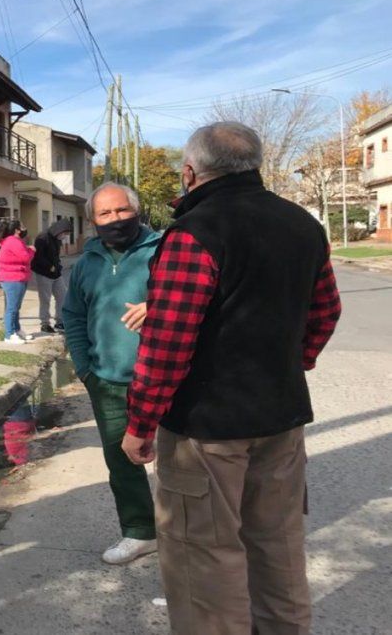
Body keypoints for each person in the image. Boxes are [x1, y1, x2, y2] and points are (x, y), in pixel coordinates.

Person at [124, 122, 341, 634]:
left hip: (206, 429)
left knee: (205, 563)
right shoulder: (302, 225)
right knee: (279, 549)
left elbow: (167, 341)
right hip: (281, 419)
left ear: (190, 172)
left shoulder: (196, 232)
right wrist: (287, 366)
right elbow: (325, 312)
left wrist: (141, 423)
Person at [61, 182, 160, 565]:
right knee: (122, 464)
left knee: (178, 469)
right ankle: (140, 533)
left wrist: (158, 306)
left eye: (121, 211)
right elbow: (72, 315)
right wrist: (86, 369)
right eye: (105, 214)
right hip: (108, 382)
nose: (115, 220)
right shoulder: (87, 264)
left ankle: (186, 540)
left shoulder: (162, 252)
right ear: (93, 221)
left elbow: (195, 297)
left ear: (136, 211)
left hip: (166, 381)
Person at [0, 220, 35, 344]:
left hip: (15, 277)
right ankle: (9, 335)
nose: (24, 229)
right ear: (17, 230)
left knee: (15, 307)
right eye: (22, 227)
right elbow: (25, 257)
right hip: (13, 278)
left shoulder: (11, 241)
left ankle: (16, 330)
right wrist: (32, 250)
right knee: (12, 308)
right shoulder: (13, 241)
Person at [32, 219, 73, 334]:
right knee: (45, 299)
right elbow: (38, 257)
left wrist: (57, 266)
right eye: (65, 233)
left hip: (56, 273)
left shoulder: (56, 239)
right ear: (59, 230)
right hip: (44, 273)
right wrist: (49, 266)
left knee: (62, 296)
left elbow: (55, 255)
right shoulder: (42, 237)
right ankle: (45, 323)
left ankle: (60, 321)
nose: (65, 236)